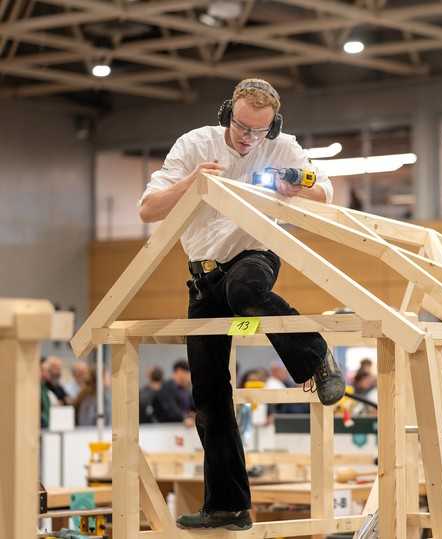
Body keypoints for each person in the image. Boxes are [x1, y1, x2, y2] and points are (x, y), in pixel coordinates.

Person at [138, 78, 345, 531]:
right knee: (209, 397)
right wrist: (192, 182)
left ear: (273, 126)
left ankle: (315, 358)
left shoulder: (283, 146)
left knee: (246, 293)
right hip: (203, 274)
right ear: (226, 112)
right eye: (242, 126)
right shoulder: (194, 145)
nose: (249, 138)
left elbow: (325, 192)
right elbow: (149, 209)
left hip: (255, 255)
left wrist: (298, 187)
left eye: (259, 131)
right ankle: (228, 505)